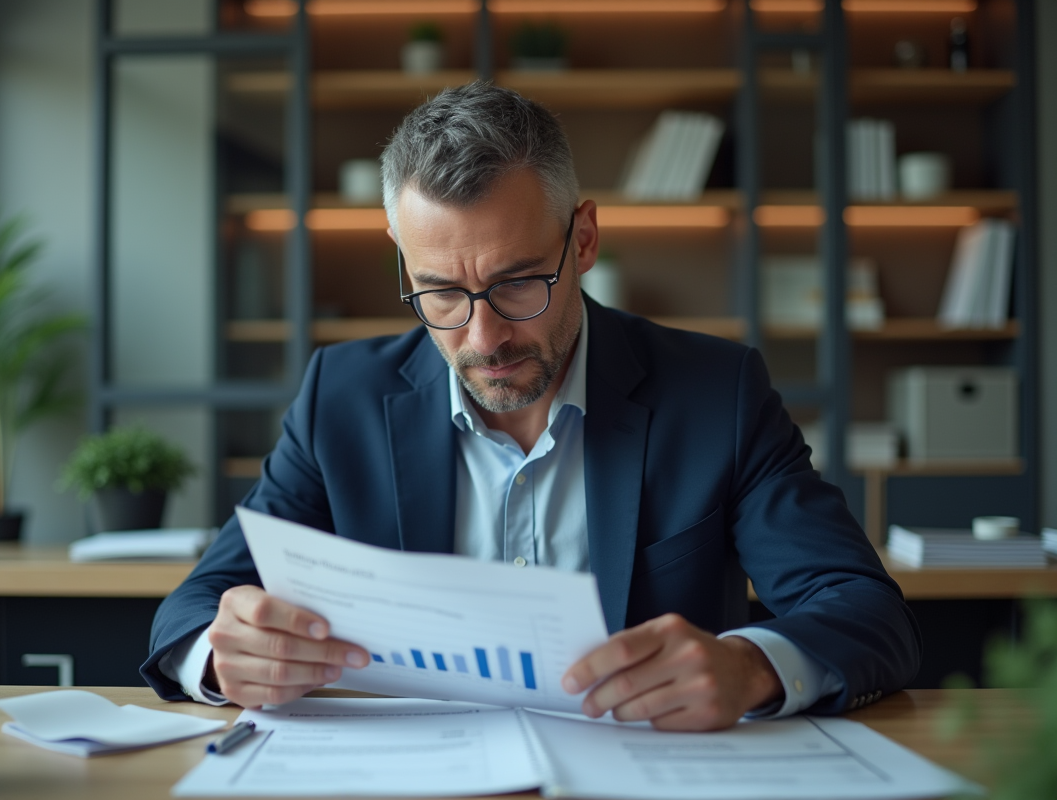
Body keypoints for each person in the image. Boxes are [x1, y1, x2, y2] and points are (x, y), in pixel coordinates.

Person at [141, 81, 920, 731]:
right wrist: (221, 654)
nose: (483, 337)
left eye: (517, 282)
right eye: (441, 292)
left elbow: (865, 611)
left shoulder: (718, 394)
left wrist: (750, 667)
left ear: (583, 241)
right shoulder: (339, 398)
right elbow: (194, 608)